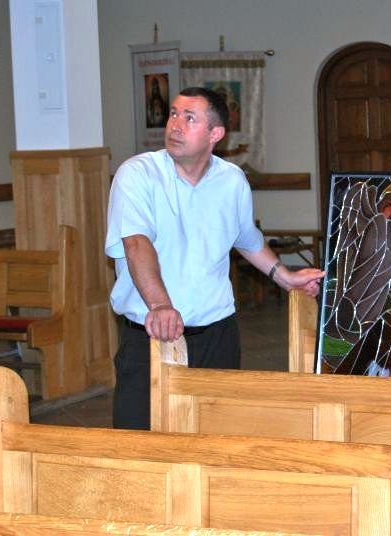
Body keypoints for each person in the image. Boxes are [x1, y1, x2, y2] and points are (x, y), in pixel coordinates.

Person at [106, 86, 324, 430]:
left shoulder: (232, 180)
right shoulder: (137, 174)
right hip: (150, 336)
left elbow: (247, 240)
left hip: (216, 337)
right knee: (140, 444)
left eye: (189, 118)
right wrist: (160, 305)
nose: (175, 125)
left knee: (215, 439)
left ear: (215, 134)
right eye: (173, 114)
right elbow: (136, 243)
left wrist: (286, 277)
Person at [324, 182, 391, 344]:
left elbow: (390, 249)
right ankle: (342, 329)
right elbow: (372, 250)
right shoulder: (377, 220)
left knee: (379, 297)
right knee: (355, 303)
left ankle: (362, 334)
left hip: (377, 273)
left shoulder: (387, 224)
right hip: (364, 272)